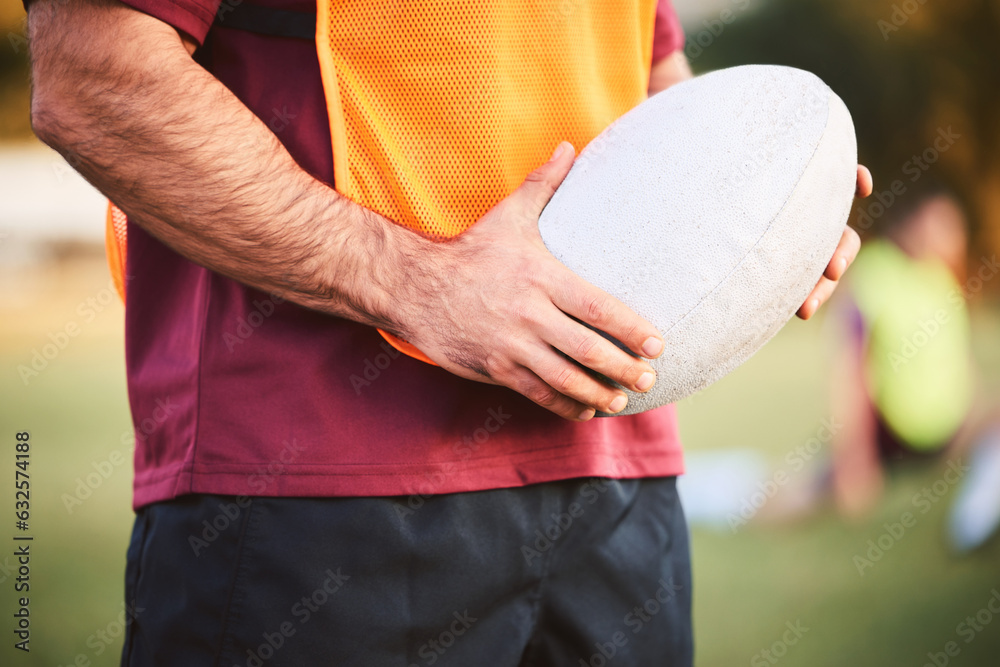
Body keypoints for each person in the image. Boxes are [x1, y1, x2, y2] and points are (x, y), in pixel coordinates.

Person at [25, 0, 870, 663]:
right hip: (313, 485)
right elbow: (94, 74)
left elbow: (648, 74)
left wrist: (766, 210)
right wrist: (414, 281)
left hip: (619, 476)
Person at [829, 186, 976, 518]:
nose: (952, 236)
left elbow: (957, 360)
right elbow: (849, 371)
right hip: (892, 435)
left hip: (947, 432)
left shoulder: (941, 278)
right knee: (812, 494)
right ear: (915, 221)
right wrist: (854, 457)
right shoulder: (874, 272)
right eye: (942, 224)